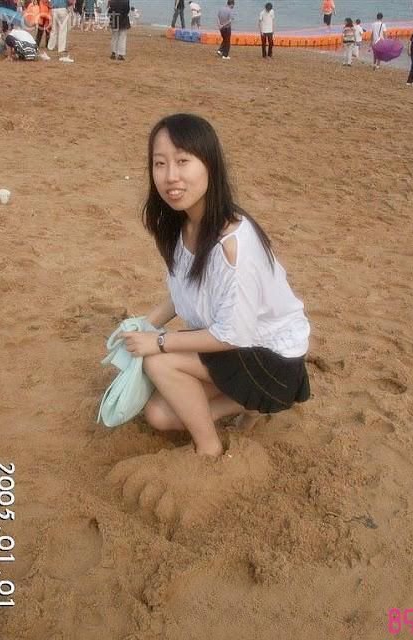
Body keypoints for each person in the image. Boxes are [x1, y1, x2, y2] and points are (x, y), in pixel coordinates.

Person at [120, 113, 311, 458]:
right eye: (160, 163)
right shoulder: (183, 225)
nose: (170, 176)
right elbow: (184, 292)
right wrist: (143, 326)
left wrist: (158, 341)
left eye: (183, 161)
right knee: (160, 414)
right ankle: (247, 404)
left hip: (272, 361)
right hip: (237, 348)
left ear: (210, 164)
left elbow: (232, 334)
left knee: (159, 362)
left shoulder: (233, 244)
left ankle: (209, 449)